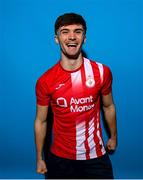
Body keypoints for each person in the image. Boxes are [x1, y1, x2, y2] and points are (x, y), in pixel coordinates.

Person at [34, 12, 117, 179]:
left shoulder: (102, 72)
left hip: (95, 156)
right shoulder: (46, 81)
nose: (72, 36)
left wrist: (113, 137)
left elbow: (108, 106)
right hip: (60, 159)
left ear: (84, 38)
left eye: (78, 31)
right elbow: (41, 121)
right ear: (56, 39)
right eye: (65, 31)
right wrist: (39, 158)